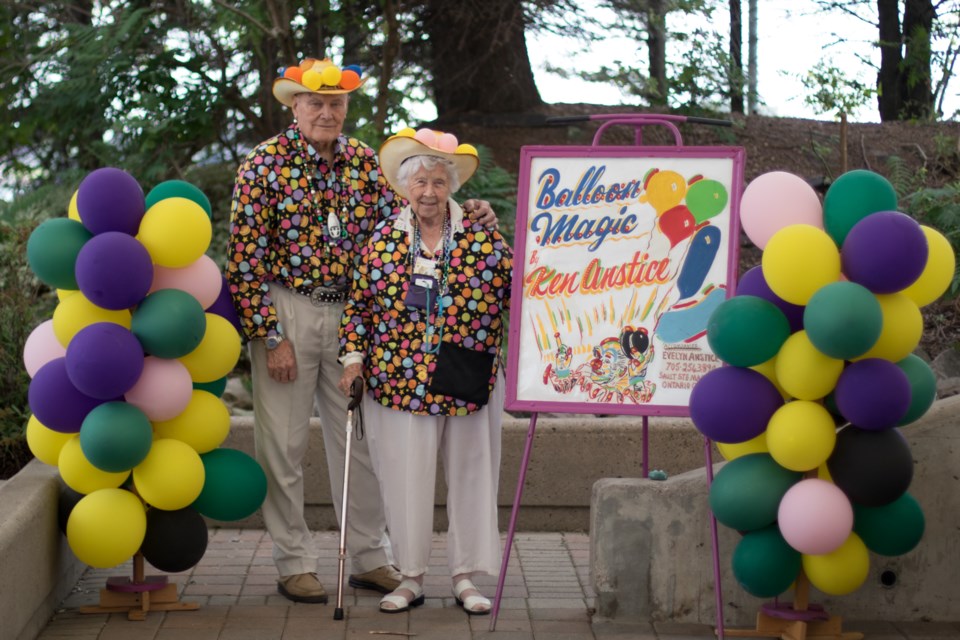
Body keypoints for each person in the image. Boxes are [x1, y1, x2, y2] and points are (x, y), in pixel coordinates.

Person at [226, 58, 497, 604]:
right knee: (283, 442)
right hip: (289, 309)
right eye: (315, 102)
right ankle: (295, 561)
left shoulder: (364, 163)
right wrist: (270, 335)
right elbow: (244, 257)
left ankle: (371, 555)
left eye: (336, 104)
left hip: (355, 314)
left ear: (347, 109)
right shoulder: (263, 165)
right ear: (294, 106)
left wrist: (471, 214)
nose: (326, 112)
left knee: (361, 439)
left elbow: (419, 209)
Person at [338, 128, 512, 615]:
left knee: (474, 474)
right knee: (404, 479)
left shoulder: (482, 234)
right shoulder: (383, 240)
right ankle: (410, 576)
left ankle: (466, 577)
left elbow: (517, 291)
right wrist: (353, 361)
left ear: (451, 186)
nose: (429, 192)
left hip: (467, 372)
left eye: (438, 181)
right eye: (420, 183)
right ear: (404, 187)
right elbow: (359, 309)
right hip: (398, 378)